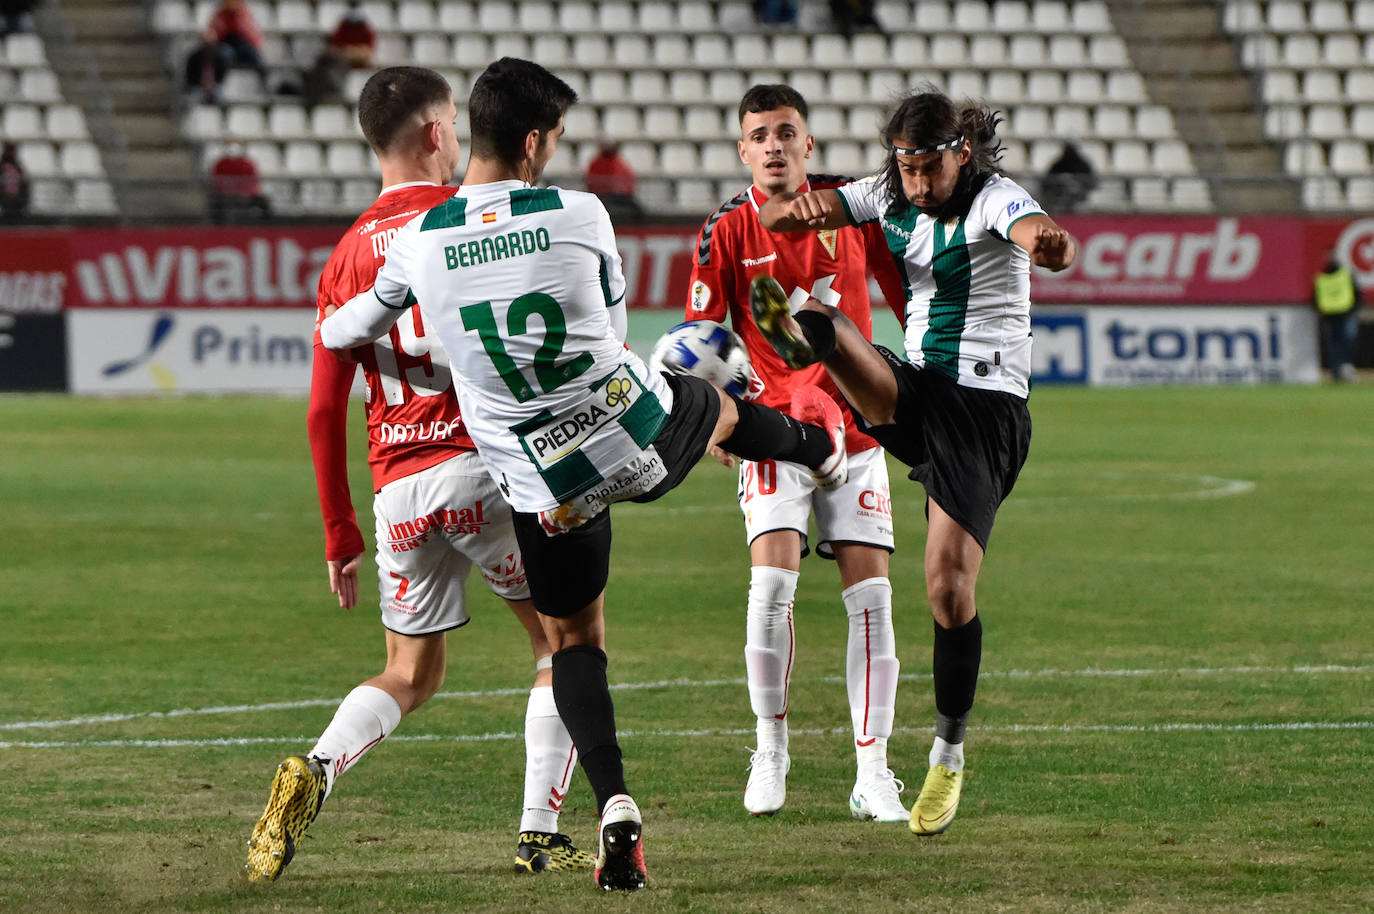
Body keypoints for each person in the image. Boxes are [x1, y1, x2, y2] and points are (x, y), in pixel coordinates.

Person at [319, 56, 850, 891]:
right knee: (715, 404)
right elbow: (609, 322)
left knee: (574, 645)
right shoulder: (581, 212)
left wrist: (372, 309)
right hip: (631, 439)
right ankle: (818, 450)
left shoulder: (423, 241)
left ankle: (616, 806)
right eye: (556, 138)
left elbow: (345, 326)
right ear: (534, 142)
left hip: (547, 487)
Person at [244, 66, 594, 883]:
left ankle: (317, 768)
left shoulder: (340, 258)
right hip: (482, 469)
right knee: (562, 647)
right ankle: (540, 832)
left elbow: (324, 411)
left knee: (411, 671)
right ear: (440, 134)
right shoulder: (463, 222)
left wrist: (340, 531)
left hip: (397, 489)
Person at [751, 86, 1076, 837]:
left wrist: (1049, 243)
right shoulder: (884, 193)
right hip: (920, 391)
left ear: (961, 154)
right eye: (907, 169)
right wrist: (792, 208)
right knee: (822, 320)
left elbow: (1037, 233)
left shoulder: (995, 197)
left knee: (947, 590)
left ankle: (948, 754)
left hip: (986, 414)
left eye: (930, 169)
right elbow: (785, 213)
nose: (918, 184)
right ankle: (814, 347)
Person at [686, 84, 910, 821]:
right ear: (743, 150)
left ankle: (872, 771)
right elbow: (700, 340)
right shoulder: (723, 231)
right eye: (760, 135)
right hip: (774, 429)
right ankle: (770, 751)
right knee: (771, 590)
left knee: (871, 600)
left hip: (856, 426)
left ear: (808, 145)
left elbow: (904, 292)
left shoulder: (852, 208)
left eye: (787, 132)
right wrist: (714, 418)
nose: (775, 145)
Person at [1313, 249, 1362, 382]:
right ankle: (1336, 372)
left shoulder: (1345, 274)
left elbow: (1357, 293)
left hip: (1345, 314)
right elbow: (1316, 297)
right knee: (1333, 345)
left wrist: (1353, 309)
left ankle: (1346, 366)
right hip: (1329, 316)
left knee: (1347, 340)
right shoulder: (1321, 277)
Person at [207, 0, 269, 89]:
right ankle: (218, 88)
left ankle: (265, 87)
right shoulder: (220, 15)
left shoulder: (245, 14)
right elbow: (213, 35)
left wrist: (238, 21)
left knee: (257, 58)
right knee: (222, 55)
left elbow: (254, 37)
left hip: (243, 46)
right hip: (226, 45)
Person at [208, 142, 271, 223]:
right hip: (226, 196)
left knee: (262, 202)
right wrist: (229, 191)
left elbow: (253, 182)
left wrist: (245, 193)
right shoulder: (221, 164)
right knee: (214, 203)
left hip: (246, 196)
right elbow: (216, 182)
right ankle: (217, 227)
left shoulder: (247, 164)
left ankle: (265, 227)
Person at [583, 138, 642, 222]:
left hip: (620, 195)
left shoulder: (619, 162)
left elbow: (628, 181)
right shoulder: (596, 163)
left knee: (636, 208)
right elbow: (591, 182)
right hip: (603, 195)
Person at [1039, 140, 1097, 214]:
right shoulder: (1059, 164)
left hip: (1080, 195)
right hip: (1060, 194)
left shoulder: (1082, 164)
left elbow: (1090, 180)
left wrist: (1076, 184)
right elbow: (1049, 180)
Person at [327, 1, 377, 69]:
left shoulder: (364, 25)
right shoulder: (344, 25)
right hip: (345, 55)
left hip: (361, 55)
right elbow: (336, 40)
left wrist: (359, 49)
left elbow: (370, 41)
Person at [0, 141, 31, 222]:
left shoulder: (17, 166)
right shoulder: (4, 165)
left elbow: (23, 182)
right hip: (4, 200)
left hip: (17, 200)